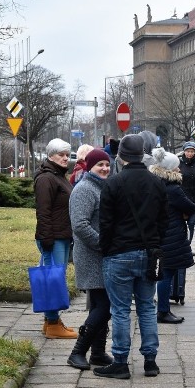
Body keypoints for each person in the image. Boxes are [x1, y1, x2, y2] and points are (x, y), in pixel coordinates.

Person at [96, 134, 168, 379]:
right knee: (147, 307)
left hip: (119, 253)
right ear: (142, 155)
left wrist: (105, 249)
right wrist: (155, 245)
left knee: (120, 310)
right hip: (148, 253)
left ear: (121, 156)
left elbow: (105, 224)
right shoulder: (157, 183)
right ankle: (150, 361)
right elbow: (164, 221)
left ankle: (120, 361)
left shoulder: (113, 184)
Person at [67, 148, 115, 369]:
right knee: (103, 306)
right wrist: (103, 244)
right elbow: (80, 225)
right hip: (91, 255)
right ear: (89, 167)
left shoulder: (102, 187)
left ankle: (97, 353)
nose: (105, 168)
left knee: (100, 304)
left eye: (107, 164)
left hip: (102, 255)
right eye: (100, 165)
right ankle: (78, 351)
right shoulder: (85, 189)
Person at [33, 138, 78, 339]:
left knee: (53, 278)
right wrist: (46, 238)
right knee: (53, 280)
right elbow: (43, 211)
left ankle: (50, 321)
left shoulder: (58, 176)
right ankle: (52, 324)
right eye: (61, 154)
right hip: (53, 236)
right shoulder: (46, 178)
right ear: (50, 155)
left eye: (67, 155)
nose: (65, 158)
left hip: (61, 235)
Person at [149, 147, 195, 324]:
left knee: (162, 272)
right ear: (169, 169)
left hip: (160, 233)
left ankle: (159, 309)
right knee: (166, 273)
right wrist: (184, 213)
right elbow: (190, 206)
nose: (179, 169)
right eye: (176, 167)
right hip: (172, 234)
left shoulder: (155, 183)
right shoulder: (173, 189)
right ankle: (162, 311)